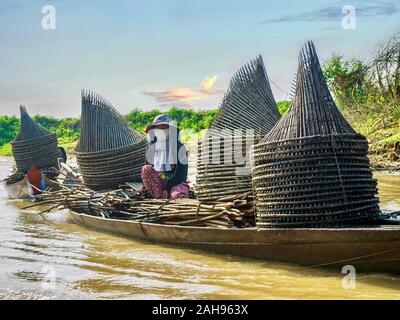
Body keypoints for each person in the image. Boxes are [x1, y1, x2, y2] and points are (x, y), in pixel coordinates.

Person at [141, 114, 190, 199]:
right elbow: (150, 172)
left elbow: (182, 175)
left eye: (164, 128)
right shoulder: (151, 148)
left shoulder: (180, 148)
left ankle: (169, 195)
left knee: (178, 196)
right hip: (159, 182)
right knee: (146, 169)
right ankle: (160, 197)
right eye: (158, 129)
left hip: (176, 182)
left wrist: (167, 189)